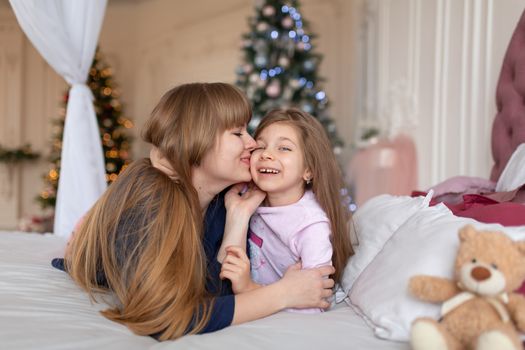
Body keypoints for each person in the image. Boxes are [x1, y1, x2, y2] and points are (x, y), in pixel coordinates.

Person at [59, 83, 335, 341]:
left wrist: (237, 220)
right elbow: (163, 316)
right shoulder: (149, 200)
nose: (253, 144)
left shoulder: (224, 199)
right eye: (238, 133)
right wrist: (283, 294)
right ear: (196, 140)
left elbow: (217, 293)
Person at [219, 108, 353, 312]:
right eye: (260, 146)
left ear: (308, 170)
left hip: (280, 313)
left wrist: (249, 288)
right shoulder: (245, 194)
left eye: (284, 148)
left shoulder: (310, 227)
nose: (266, 154)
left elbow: (312, 303)